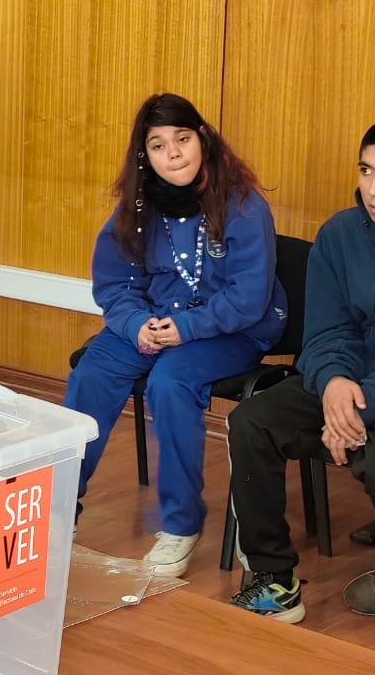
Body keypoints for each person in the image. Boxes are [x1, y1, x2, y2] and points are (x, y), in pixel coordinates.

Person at [65, 93, 286, 577]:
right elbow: (116, 285)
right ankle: (60, 510)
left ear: (202, 139)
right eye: (159, 145)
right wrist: (135, 324)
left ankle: (182, 524)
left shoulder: (243, 205)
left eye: (183, 140)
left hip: (232, 331)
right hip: (156, 325)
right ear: (145, 155)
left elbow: (248, 298)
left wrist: (187, 328)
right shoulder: (136, 206)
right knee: (94, 368)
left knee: (169, 383)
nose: (174, 155)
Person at [228, 114, 375, 623]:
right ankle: (274, 578)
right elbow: (327, 330)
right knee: (252, 421)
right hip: (348, 378)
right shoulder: (340, 234)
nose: (374, 189)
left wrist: (359, 404)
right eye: (366, 170)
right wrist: (335, 382)